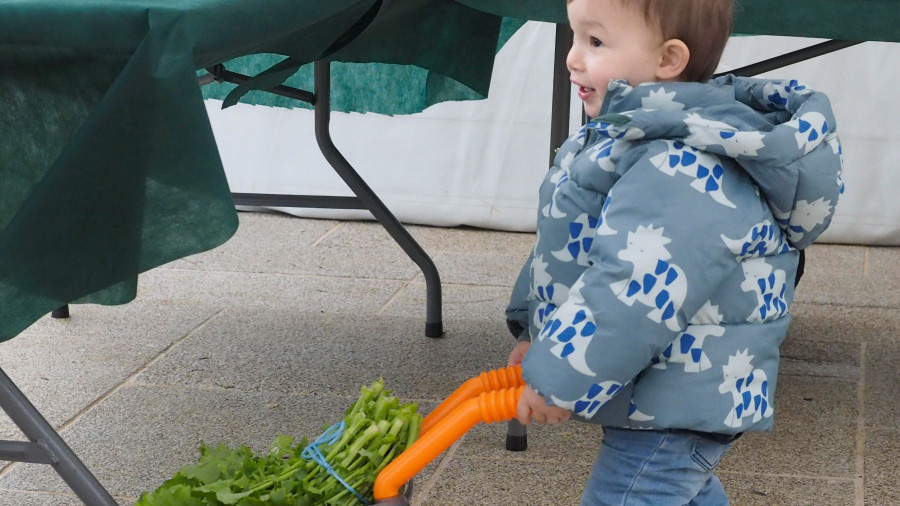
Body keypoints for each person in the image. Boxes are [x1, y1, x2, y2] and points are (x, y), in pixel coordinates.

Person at [505, 0, 845, 504]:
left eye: (595, 42)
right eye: (574, 37)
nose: (573, 58)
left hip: (678, 402)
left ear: (668, 60)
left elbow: (629, 289)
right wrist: (542, 332)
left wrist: (559, 378)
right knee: (685, 491)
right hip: (673, 394)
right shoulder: (631, 136)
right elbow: (576, 246)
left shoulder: (677, 164)